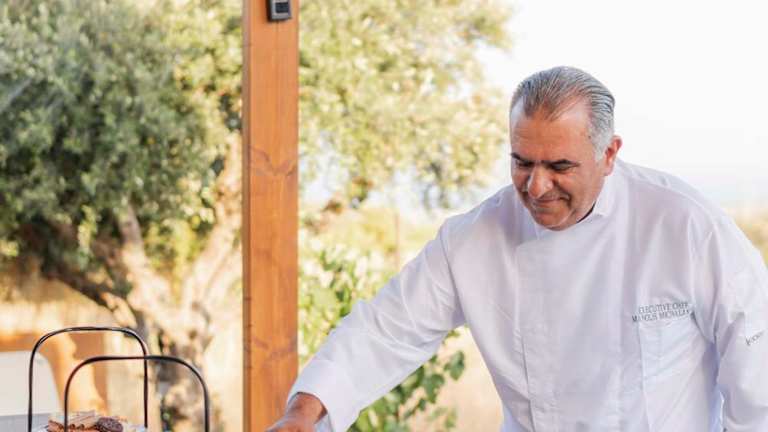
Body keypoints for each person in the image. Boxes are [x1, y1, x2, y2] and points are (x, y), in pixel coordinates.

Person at [266, 66, 768, 431]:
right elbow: (384, 330)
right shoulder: (474, 240)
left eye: (560, 166)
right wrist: (303, 413)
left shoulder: (685, 224)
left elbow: (755, 360)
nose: (536, 186)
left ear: (609, 154)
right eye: (522, 162)